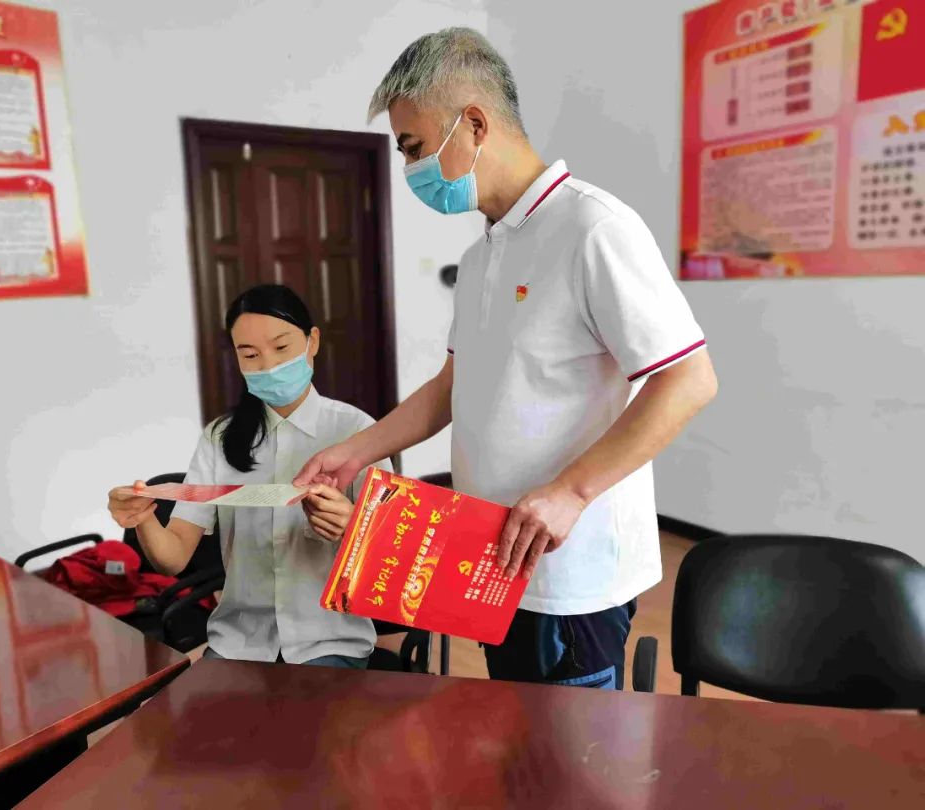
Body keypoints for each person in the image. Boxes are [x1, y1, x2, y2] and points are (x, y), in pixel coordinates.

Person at [295, 28, 718, 689]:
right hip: (489, 554)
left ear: (473, 124)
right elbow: (452, 386)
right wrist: (357, 451)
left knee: (574, 745)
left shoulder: (593, 229)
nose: (410, 169)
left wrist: (571, 492)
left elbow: (689, 380)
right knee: (517, 732)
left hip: (569, 571)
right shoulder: (482, 255)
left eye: (413, 147)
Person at [109, 284, 389, 669]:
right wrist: (142, 517)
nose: (268, 366)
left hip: (330, 641)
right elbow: (172, 559)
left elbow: (391, 560)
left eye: (281, 347)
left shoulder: (357, 432)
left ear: (312, 342)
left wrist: (352, 528)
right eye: (250, 354)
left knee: (297, 711)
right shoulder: (219, 438)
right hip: (239, 643)